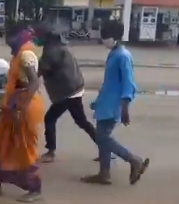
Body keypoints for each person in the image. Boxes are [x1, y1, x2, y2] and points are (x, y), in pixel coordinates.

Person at [80, 19, 150, 185]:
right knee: (102, 137)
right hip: (106, 103)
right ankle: (104, 173)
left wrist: (125, 107)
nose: (103, 39)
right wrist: (98, 102)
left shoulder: (123, 56)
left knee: (103, 138)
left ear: (115, 37)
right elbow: (110, 82)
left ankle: (133, 160)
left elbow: (128, 83)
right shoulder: (114, 53)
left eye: (105, 36)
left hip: (114, 105)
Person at [0, 29, 44, 202]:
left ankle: (34, 189)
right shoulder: (18, 54)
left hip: (23, 108)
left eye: (9, 36)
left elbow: (34, 81)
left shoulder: (26, 54)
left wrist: (21, 107)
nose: (7, 40)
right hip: (12, 107)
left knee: (22, 149)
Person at [32, 23, 112, 163]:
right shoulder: (58, 46)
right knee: (82, 122)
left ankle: (51, 152)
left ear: (45, 37)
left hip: (67, 92)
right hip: (75, 88)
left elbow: (40, 71)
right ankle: (106, 148)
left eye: (37, 35)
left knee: (50, 118)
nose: (35, 38)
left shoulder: (51, 51)